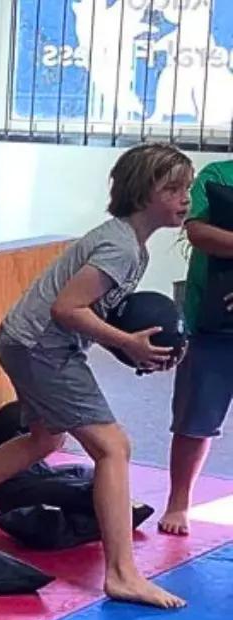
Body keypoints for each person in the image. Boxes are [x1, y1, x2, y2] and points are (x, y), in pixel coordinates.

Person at [0, 142, 193, 610]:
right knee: (113, 447)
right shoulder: (118, 246)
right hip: (41, 346)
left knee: (44, 439)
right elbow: (67, 308)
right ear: (141, 193)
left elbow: (88, 313)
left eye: (186, 189)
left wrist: (137, 347)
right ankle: (122, 573)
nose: (184, 198)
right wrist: (125, 343)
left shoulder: (130, 246)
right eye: (172, 189)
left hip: (27, 339)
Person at [161, 155, 233, 536]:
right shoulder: (217, 175)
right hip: (211, 322)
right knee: (195, 416)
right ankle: (179, 502)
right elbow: (199, 232)